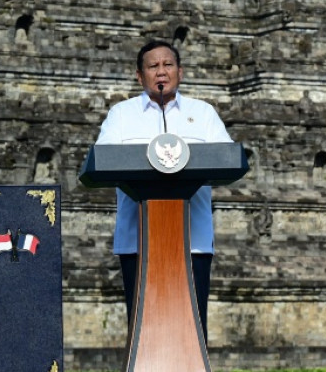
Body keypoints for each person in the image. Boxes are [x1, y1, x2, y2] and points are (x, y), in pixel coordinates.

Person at [94, 39, 232, 339]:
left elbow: (227, 158)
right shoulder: (121, 114)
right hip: (138, 243)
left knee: (191, 331)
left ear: (180, 72)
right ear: (139, 75)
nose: (161, 72)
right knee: (146, 332)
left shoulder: (204, 113)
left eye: (168, 64)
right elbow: (102, 160)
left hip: (192, 242)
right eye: (153, 66)